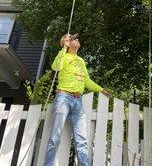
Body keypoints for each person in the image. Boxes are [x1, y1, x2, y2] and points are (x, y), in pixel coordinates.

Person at [43, 33, 109, 166]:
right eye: (74, 39)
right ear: (67, 43)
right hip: (64, 98)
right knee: (55, 137)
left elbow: (87, 81)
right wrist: (63, 48)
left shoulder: (80, 60)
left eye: (77, 38)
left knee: (82, 140)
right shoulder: (64, 56)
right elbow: (56, 67)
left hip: (78, 101)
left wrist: (101, 89)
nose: (77, 39)